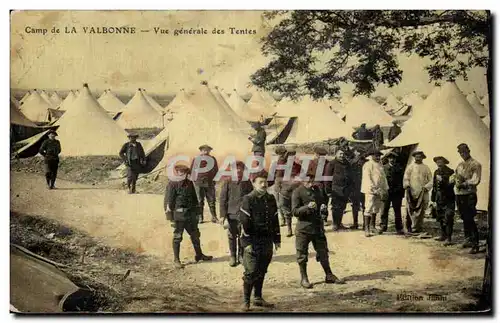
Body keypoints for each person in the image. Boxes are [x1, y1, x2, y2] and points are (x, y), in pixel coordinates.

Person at [292, 170, 344, 289]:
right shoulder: (297, 192)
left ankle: (329, 275)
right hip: (303, 228)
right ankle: (304, 278)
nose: (310, 182)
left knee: (323, 252)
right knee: (302, 255)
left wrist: (323, 209)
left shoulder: (317, 190)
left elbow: (322, 207)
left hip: (317, 227)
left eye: (311, 179)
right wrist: (307, 207)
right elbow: (294, 211)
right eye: (307, 180)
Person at [238, 170, 281, 311]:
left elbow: (275, 220)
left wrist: (277, 239)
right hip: (252, 241)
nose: (264, 185)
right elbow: (244, 223)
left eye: (265, 182)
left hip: (267, 240)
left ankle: (257, 298)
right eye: (260, 182)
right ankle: (246, 301)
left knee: (262, 269)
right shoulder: (248, 199)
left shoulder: (270, 198)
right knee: (251, 271)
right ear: (253, 183)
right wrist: (247, 244)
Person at [164, 165, 213, 269]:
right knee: (177, 237)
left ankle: (199, 255)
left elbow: (195, 200)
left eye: (185, 173)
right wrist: (170, 218)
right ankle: (176, 260)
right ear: (177, 173)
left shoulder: (190, 183)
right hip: (179, 216)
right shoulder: (172, 184)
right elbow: (168, 202)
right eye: (180, 173)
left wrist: (198, 213)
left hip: (191, 215)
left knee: (195, 235)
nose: (183, 175)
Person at [219, 161, 253, 267]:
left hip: (243, 214)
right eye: (235, 169)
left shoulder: (247, 182)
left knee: (243, 235)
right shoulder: (228, 182)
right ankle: (233, 256)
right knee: (232, 236)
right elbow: (223, 199)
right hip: (231, 214)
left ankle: (241, 256)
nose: (238, 171)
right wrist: (223, 216)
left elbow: (251, 198)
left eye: (240, 169)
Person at [453, 143, 482, 254]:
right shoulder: (460, 165)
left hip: (469, 194)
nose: (462, 154)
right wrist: (453, 180)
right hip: (459, 194)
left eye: (464, 152)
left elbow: (476, 180)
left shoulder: (475, 164)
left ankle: (476, 244)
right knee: (464, 217)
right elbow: (455, 176)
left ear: (468, 151)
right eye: (460, 152)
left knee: (469, 218)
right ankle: (468, 239)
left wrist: (464, 183)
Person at [403, 151, 433, 236]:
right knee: (409, 209)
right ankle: (409, 227)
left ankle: (418, 227)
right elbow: (406, 178)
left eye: (420, 157)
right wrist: (407, 185)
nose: (418, 158)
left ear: (422, 157)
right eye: (416, 157)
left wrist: (426, 187)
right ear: (414, 157)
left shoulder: (426, 168)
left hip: (422, 192)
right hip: (411, 191)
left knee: (421, 210)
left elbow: (431, 180)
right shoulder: (410, 167)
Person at [361, 150, 389, 237]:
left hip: (379, 190)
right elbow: (367, 178)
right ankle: (367, 229)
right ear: (371, 156)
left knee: (376, 208)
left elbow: (383, 177)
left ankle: (373, 226)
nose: (378, 157)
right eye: (376, 156)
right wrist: (373, 188)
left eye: (379, 156)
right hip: (370, 190)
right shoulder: (368, 164)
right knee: (369, 208)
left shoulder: (380, 164)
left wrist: (385, 188)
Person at [430, 156, 455, 246]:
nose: (438, 163)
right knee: (440, 216)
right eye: (437, 162)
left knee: (448, 217)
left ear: (444, 162)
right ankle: (443, 235)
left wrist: (443, 180)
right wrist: (433, 198)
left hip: (448, 197)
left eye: (440, 162)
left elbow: (450, 185)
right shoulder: (436, 172)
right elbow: (434, 186)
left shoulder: (450, 171)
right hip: (439, 197)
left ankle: (449, 238)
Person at [191, 144, 219, 223]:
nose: (206, 152)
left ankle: (214, 217)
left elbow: (216, 170)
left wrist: (214, 181)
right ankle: (200, 217)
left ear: (210, 151)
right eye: (204, 150)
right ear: (201, 151)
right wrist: (194, 181)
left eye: (208, 150)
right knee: (199, 200)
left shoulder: (213, 159)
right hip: (199, 182)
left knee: (212, 200)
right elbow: (192, 170)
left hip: (209, 182)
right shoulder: (196, 159)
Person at [325, 148, 352, 231]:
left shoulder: (347, 163)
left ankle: (339, 223)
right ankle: (335, 224)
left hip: (345, 189)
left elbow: (350, 176)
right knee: (336, 207)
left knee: (343, 207)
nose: (342, 155)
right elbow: (327, 177)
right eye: (340, 154)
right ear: (336, 154)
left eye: (343, 154)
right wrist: (328, 190)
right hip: (336, 189)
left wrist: (350, 188)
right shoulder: (332, 163)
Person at [380, 151, 405, 235]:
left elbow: (402, 181)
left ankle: (399, 228)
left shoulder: (400, 168)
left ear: (395, 159)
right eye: (390, 158)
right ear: (387, 159)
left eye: (393, 158)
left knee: (397, 211)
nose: (392, 160)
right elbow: (382, 181)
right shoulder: (383, 168)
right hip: (387, 192)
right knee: (384, 210)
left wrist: (400, 191)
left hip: (396, 193)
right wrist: (383, 190)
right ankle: (383, 226)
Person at [348, 148, 366, 230]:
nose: (358, 156)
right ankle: (355, 223)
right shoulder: (352, 163)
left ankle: (365, 224)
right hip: (355, 188)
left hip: (364, 187)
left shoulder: (366, 163)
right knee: (355, 206)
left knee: (364, 206)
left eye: (359, 154)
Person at [272, 146, 288, 226]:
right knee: (281, 202)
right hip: (281, 181)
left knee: (279, 202)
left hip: (280, 182)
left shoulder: (281, 160)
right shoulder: (283, 160)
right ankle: (284, 218)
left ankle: (283, 218)